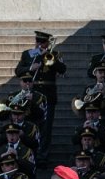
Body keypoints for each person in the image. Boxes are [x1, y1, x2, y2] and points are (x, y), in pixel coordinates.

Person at [14, 31, 66, 161]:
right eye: (38, 41)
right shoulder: (28, 54)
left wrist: (49, 57)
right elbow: (18, 71)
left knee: (46, 126)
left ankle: (42, 156)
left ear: (48, 43)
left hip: (48, 94)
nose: (39, 44)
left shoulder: (55, 54)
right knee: (30, 123)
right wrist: (30, 68)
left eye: (42, 42)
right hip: (32, 92)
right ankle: (28, 154)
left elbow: (62, 69)